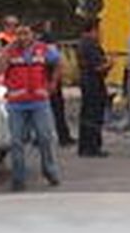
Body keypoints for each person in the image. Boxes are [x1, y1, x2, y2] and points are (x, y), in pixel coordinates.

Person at [0, 22, 63, 190]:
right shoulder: (10, 51)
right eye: (19, 34)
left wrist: (53, 82)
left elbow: (58, 62)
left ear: (33, 35)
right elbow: (0, 69)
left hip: (39, 101)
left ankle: (49, 171)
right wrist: (7, 49)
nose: (23, 37)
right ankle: (18, 179)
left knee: (44, 137)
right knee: (16, 141)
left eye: (26, 33)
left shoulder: (43, 49)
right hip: (17, 103)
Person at [75, 16, 111, 157]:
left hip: (86, 82)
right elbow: (98, 67)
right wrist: (109, 64)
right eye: (99, 29)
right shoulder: (90, 44)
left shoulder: (82, 43)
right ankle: (93, 147)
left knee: (86, 114)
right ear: (93, 29)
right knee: (94, 115)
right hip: (93, 83)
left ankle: (84, 147)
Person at [39, 18, 75, 147]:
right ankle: (63, 137)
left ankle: (40, 138)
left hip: (43, 80)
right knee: (57, 109)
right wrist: (54, 81)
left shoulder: (37, 43)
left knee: (45, 111)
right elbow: (55, 61)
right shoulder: (48, 41)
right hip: (50, 79)